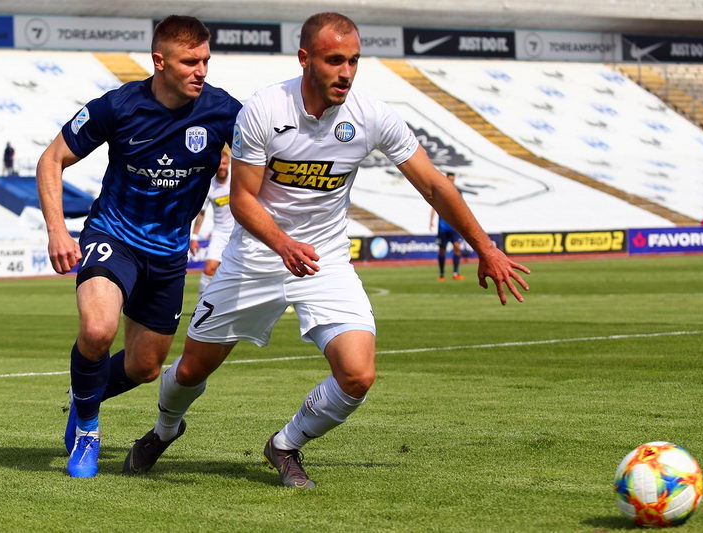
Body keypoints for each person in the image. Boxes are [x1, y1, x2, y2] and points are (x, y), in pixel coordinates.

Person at [122, 12, 530, 489]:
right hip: (255, 257)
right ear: (305, 58)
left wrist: (485, 248)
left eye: (354, 60)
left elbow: (435, 185)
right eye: (335, 60)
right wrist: (282, 243)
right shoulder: (264, 108)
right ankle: (164, 429)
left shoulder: (372, 116)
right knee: (192, 369)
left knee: (358, 375)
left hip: (325, 260)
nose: (346, 72)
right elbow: (243, 199)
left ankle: (285, 444)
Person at [35, 15, 241, 478]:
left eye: (205, 61)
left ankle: (83, 396)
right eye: (189, 62)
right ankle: (88, 430)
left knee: (145, 367)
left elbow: (270, 157)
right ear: (159, 61)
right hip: (114, 236)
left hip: (168, 255)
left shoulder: (223, 111)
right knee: (97, 330)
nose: (201, 71)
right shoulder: (118, 106)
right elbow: (51, 159)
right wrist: (57, 231)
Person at [190, 148, 234, 297]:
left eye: (224, 163)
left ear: (228, 164)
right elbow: (201, 213)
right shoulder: (209, 185)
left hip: (240, 231)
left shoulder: (237, 177)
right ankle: (202, 302)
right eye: (219, 164)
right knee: (209, 269)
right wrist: (194, 237)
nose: (222, 167)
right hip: (220, 231)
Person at [429, 171, 465, 281]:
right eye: (449, 179)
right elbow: (434, 206)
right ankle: (441, 274)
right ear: (446, 179)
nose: (451, 181)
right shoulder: (440, 191)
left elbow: (461, 206)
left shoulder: (458, 191)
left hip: (454, 226)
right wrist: (431, 221)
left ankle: (455, 273)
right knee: (442, 250)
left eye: (453, 180)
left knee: (457, 247)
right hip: (443, 227)